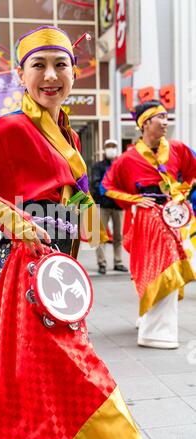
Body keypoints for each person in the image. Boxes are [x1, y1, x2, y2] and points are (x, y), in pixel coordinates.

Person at [0, 26, 144, 439]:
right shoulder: (9, 128)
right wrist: (7, 214)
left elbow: (68, 197)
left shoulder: (69, 135)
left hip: (58, 273)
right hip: (23, 274)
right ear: (19, 74)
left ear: (74, 73)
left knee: (36, 376)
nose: (50, 75)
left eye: (60, 64)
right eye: (37, 65)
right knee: (72, 373)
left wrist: (87, 220)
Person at [102, 100, 196, 349]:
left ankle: (155, 326)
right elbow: (107, 187)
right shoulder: (127, 158)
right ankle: (154, 331)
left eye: (167, 117)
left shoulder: (177, 148)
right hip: (146, 217)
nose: (166, 122)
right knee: (154, 269)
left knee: (169, 267)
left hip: (172, 216)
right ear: (145, 123)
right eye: (160, 118)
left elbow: (192, 173)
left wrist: (180, 193)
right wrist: (135, 199)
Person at [91, 139, 128, 274]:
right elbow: (95, 184)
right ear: (105, 149)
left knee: (118, 236)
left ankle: (118, 262)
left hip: (118, 206)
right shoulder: (98, 167)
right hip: (103, 205)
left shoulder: (121, 165)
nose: (111, 149)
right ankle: (102, 262)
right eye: (109, 147)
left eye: (113, 146)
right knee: (100, 235)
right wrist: (107, 193)